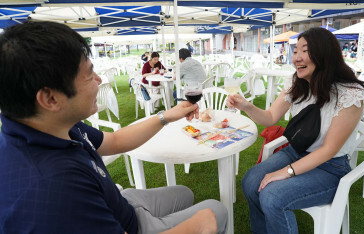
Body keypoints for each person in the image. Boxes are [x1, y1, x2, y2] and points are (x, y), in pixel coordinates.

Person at [0, 21, 228, 234]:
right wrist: (197, 226)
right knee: (215, 211)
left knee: (184, 193)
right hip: (128, 224)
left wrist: (167, 116)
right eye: (89, 75)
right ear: (50, 99)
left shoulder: (52, 125)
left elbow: (115, 141)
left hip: (122, 203)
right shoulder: (51, 190)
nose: (99, 80)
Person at [227, 27, 364, 233]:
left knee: (272, 196)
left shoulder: (350, 95)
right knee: (251, 182)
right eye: (295, 51)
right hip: (295, 152)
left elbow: (328, 150)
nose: (297, 58)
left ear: (325, 54)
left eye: (305, 50)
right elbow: (269, 118)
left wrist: (286, 172)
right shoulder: (297, 83)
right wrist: (245, 106)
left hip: (330, 168)